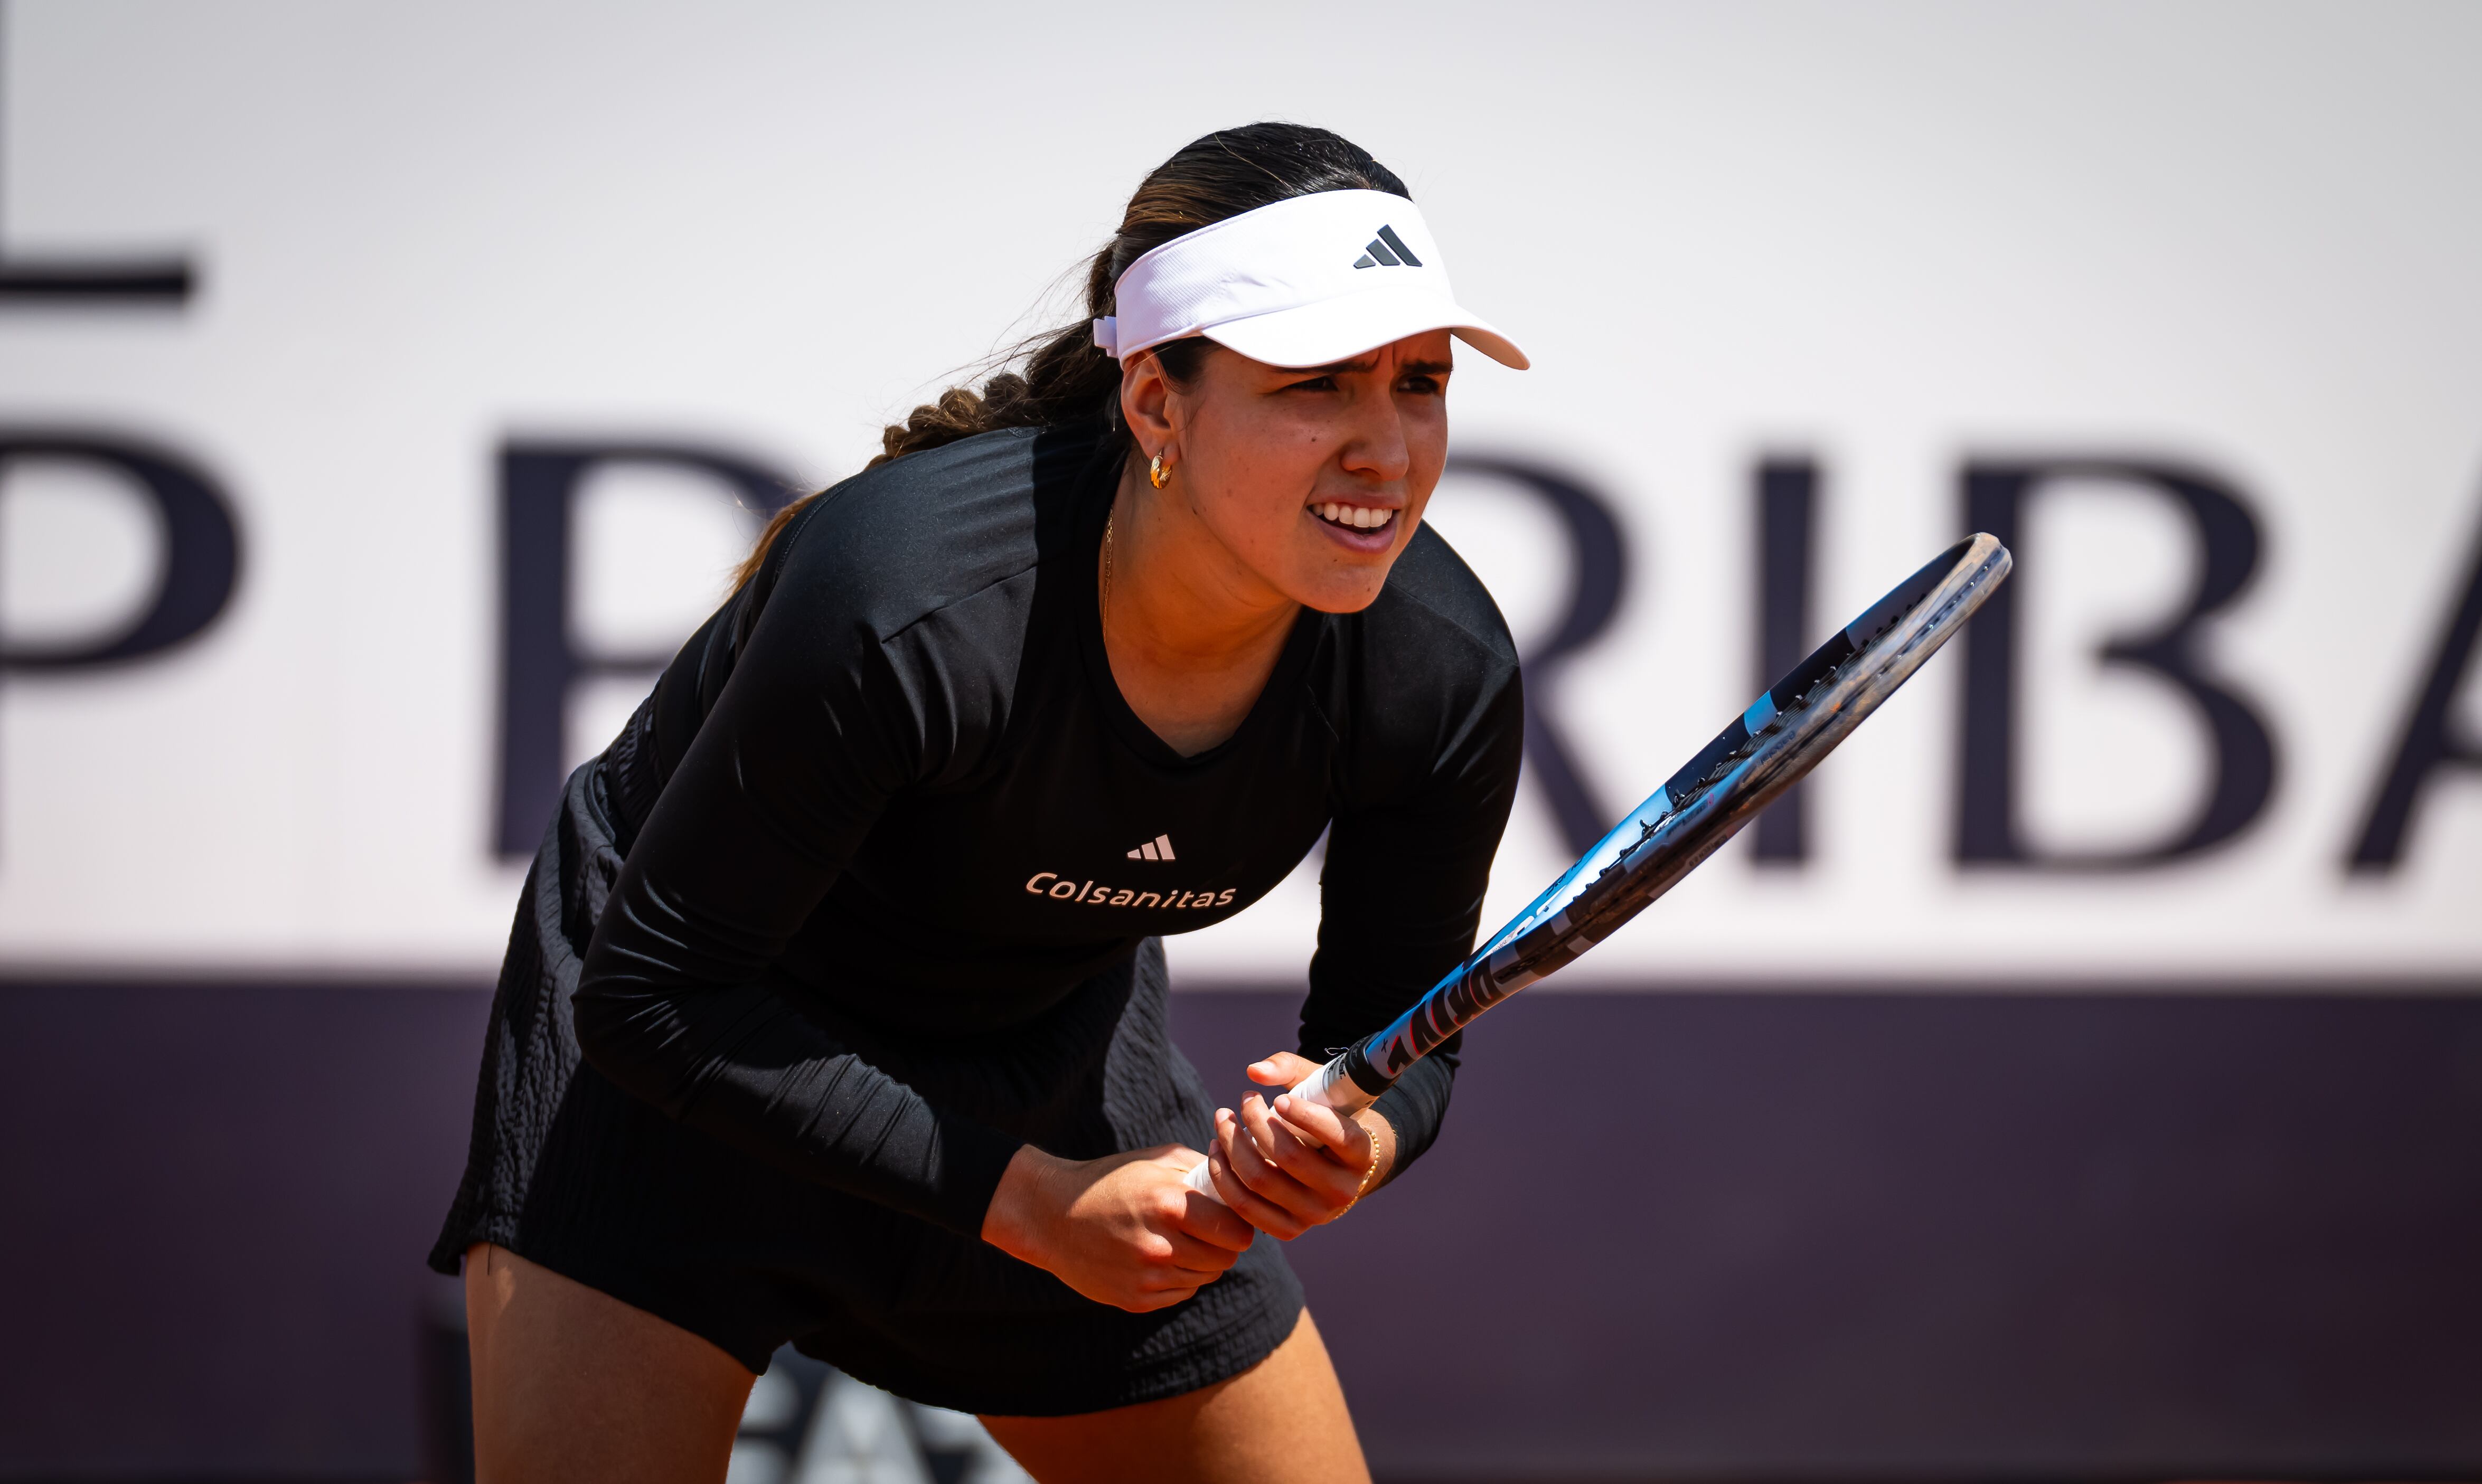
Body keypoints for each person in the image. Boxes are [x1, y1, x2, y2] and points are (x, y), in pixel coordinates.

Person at [430, 120, 1530, 1484]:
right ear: (1153, 403)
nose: (1385, 448)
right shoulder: (906, 595)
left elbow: (1398, 1032)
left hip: (1047, 1075)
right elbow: (653, 994)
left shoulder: (1438, 666)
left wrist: (1347, 1137)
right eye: (1316, 384)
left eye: (1418, 383)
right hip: (680, 1083)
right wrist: (1027, 1203)